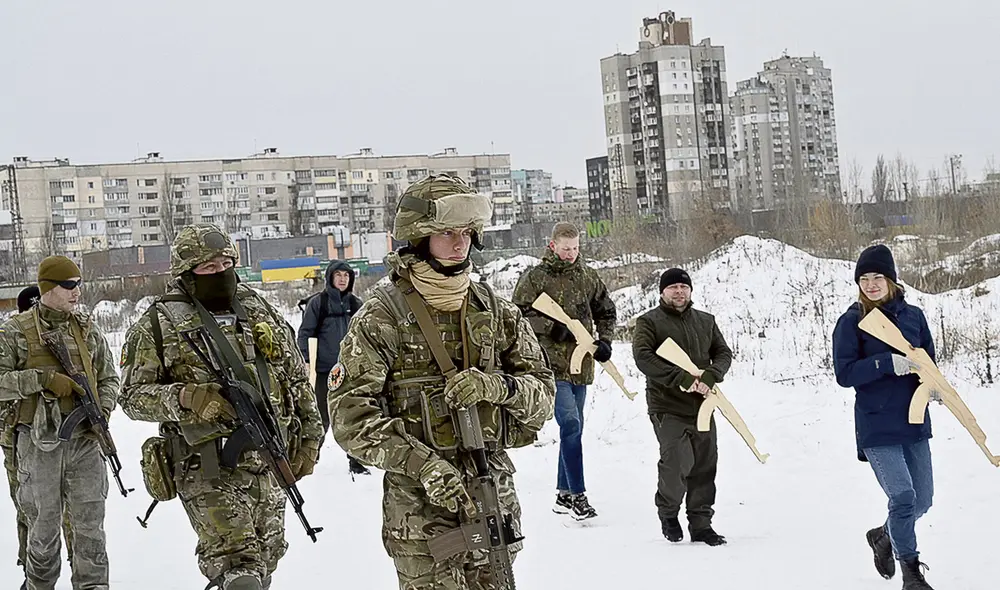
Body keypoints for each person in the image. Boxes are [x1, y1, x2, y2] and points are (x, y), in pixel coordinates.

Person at [328, 174, 555, 588]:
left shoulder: (496, 312)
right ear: (418, 239)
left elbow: (543, 399)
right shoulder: (382, 318)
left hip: (493, 500)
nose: (460, 243)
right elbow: (350, 419)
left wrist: (497, 387)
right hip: (421, 516)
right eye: (447, 232)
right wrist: (425, 466)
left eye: (467, 233)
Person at [118, 224, 324, 590]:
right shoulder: (159, 323)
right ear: (186, 272)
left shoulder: (256, 308)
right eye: (209, 267)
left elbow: (293, 375)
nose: (222, 272)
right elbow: (132, 397)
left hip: (268, 459)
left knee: (267, 555)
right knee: (235, 563)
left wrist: (310, 438)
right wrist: (185, 398)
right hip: (206, 466)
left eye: (227, 263)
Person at [0, 257, 119, 589]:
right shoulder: (15, 332)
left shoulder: (86, 329)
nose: (76, 291)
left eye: (79, 283)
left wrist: (101, 410)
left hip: (85, 439)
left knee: (90, 527)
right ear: (47, 287)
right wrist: (44, 379)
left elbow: (109, 378)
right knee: (43, 528)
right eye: (69, 285)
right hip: (38, 444)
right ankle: (39, 584)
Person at [832, 244, 936, 590]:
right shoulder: (852, 321)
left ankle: (883, 536)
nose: (871, 284)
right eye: (864, 278)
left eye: (877, 276)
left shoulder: (913, 316)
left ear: (891, 279)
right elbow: (844, 374)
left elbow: (930, 360)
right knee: (903, 497)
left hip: (914, 419)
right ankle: (911, 573)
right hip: (877, 424)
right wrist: (883, 363)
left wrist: (934, 385)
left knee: (923, 500)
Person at [511, 222, 616, 521]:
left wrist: (605, 340)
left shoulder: (588, 276)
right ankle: (579, 496)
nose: (571, 254)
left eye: (575, 248)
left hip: (580, 364)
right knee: (570, 423)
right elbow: (516, 315)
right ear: (552, 245)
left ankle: (563, 493)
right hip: (548, 366)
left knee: (575, 427)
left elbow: (606, 311)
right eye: (565, 248)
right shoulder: (535, 278)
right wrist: (549, 327)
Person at [631, 268, 732, 546]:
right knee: (676, 462)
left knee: (704, 465)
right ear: (662, 292)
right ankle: (668, 512)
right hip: (667, 404)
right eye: (673, 287)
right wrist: (681, 379)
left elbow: (723, 352)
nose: (679, 292)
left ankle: (701, 525)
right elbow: (643, 357)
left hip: (703, 404)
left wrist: (712, 374)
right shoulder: (649, 322)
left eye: (683, 287)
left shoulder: (706, 321)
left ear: (690, 290)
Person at [1, 285, 76, 590]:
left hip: (62, 436)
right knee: (30, 508)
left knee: (71, 507)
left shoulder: (63, 338)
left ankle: (74, 560)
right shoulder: (12, 341)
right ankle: (30, 569)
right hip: (17, 440)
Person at [296, 259, 369, 477]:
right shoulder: (319, 303)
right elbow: (305, 333)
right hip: (324, 370)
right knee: (319, 417)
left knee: (353, 415)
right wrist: (307, 359)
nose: (342, 279)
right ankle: (310, 457)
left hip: (349, 371)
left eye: (346, 276)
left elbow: (366, 335)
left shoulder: (356, 304)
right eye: (338, 275)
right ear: (330, 278)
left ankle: (355, 460)